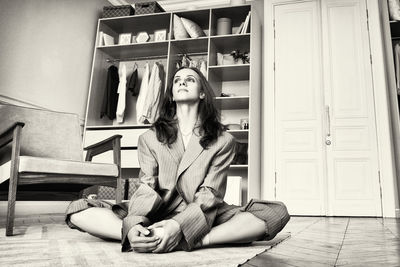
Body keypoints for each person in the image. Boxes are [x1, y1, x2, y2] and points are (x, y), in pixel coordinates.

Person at [65, 66, 290, 253]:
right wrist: (133, 226)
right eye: (177, 80)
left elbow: (209, 195)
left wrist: (180, 226)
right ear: (172, 93)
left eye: (190, 79)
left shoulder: (224, 140)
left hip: (202, 212)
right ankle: (141, 236)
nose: (182, 83)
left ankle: (197, 239)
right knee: (78, 209)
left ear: (202, 93)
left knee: (274, 212)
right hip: (156, 212)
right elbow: (147, 188)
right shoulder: (149, 138)